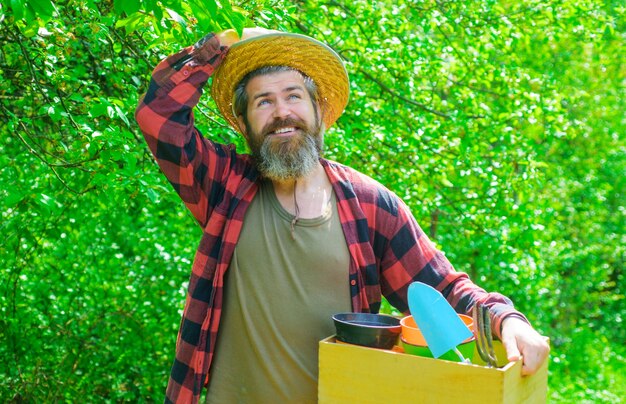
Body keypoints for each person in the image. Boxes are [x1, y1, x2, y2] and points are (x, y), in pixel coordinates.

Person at [135, 28, 550, 403]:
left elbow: (441, 290)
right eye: (264, 101)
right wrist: (218, 48)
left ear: (318, 111)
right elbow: (158, 119)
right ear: (244, 122)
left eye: (294, 96)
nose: (282, 112)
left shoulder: (370, 204)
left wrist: (507, 321)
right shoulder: (224, 183)